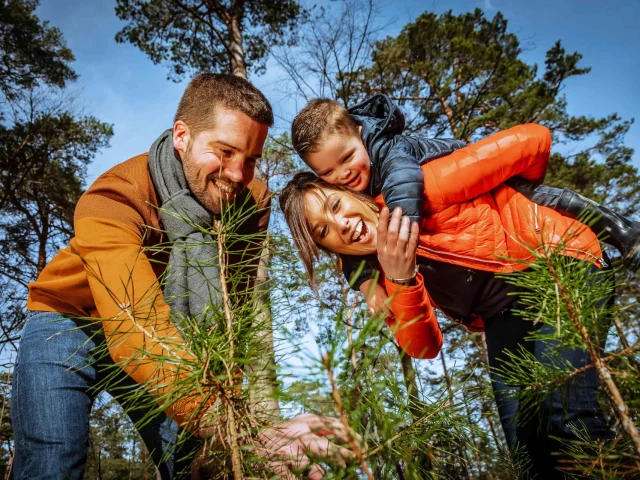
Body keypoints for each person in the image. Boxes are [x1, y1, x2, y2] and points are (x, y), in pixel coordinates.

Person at [12, 74, 352, 479]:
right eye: (224, 152)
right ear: (181, 136)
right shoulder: (114, 197)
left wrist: (230, 417)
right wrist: (240, 430)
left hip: (169, 338)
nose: (238, 173)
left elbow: (231, 311)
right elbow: (134, 327)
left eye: (252, 158)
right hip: (71, 320)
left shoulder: (250, 203)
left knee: (197, 464)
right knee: (53, 459)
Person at [279, 124, 615, 477]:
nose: (341, 226)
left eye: (335, 205)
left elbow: (535, 140)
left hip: (557, 263)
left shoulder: (421, 185)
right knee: (527, 450)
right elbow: (424, 348)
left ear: (352, 191)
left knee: (567, 418)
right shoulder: (379, 270)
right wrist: (400, 278)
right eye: (323, 231)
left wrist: (524, 194)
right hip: (504, 313)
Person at [290, 95, 640, 319]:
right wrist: (368, 285)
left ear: (362, 134)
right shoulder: (354, 191)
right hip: (483, 259)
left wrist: (403, 228)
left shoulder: (387, 149)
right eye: (328, 173)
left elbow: (403, 180)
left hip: (473, 176)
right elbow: (350, 253)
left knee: (537, 198)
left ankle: (622, 229)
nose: (343, 173)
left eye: (348, 158)